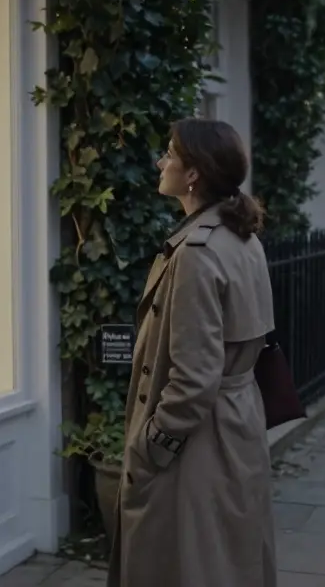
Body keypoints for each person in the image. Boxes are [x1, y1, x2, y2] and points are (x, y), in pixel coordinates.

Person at [107, 118, 277, 587]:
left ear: (194, 174)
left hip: (199, 448)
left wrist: (150, 448)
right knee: (228, 562)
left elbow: (193, 378)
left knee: (189, 568)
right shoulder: (241, 236)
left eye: (169, 153)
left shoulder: (198, 251)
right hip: (236, 427)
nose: (161, 163)